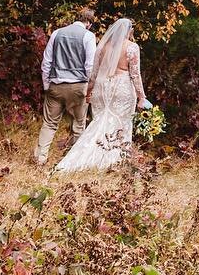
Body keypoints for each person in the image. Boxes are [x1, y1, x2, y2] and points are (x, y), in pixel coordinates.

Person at [55, 18, 152, 174]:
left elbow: (93, 74)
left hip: (101, 87)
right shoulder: (132, 48)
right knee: (120, 123)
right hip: (122, 88)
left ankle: (86, 154)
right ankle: (115, 158)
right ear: (129, 31)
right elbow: (135, 74)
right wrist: (142, 96)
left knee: (99, 121)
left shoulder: (103, 47)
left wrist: (89, 92)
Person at [35, 7, 97, 165]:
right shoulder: (88, 36)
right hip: (78, 87)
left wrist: (46, 84)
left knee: (49, 123)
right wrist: (89, 89)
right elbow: (90, 66)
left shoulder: (57, 33)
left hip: (56, 85)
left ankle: (40, 158)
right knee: (78, 123)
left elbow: (46, 62)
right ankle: (72, 161)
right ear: (88, 23)